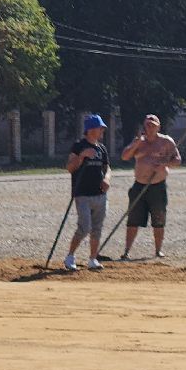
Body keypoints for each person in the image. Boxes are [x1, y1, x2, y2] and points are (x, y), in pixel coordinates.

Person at [118, 114, 181, 259]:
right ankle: (126, 251)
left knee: (159, 219)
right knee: (133, 219)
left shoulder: (166, 141)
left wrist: (165, 164)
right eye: (147, 125)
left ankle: (158, 250)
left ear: (158, 126)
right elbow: (125, 157)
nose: (150, 127)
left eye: (153, 125)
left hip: (157, 186)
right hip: (139, 185)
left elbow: (177, 160)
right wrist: (136, 144)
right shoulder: (139, 141)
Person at [64, 113, 111, 271]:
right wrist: (82, 156)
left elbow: (107, 168)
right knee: (84, 227)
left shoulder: (101, 148)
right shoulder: (79, 146)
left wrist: (107, 179)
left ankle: (93, 259)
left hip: (100, 194)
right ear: (91, 129)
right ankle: (70, 256)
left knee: (97, 228)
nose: (102, 130)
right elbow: (70, 168)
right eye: (100, 128)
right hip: (82, 193)